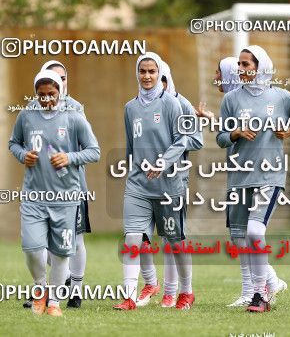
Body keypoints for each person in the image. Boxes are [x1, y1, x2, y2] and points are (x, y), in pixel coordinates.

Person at [216, 45, 290, 312]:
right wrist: (235, 134)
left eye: (247, 64)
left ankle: (260, 294)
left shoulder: (281, 97)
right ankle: (260, 288)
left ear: (261, 66)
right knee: (240, 238)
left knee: (256, 232)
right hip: (239, 177)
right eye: (240, 65)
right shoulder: (231, 99)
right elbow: (221, 137)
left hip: (269, 175)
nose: (241, 69)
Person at [9, 69, 100, 317]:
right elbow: (13, 143)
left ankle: (55, 304)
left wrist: (69, 157)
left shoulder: (74, 117)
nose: (47, 99)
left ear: (60, 91)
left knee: (61, 253)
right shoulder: (27, 115)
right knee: (31, 248)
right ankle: (40, 289)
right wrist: (22, 155)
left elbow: (94, 151)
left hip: (65, 197)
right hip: (34, 197)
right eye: (42, 95)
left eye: (52, 94)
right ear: (35, 93)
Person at [113, 52, 193, 310]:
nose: (147, 76)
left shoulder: (172, 104)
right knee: (132, 239)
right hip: (137, 185)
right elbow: (130, 145)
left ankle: (186, 291)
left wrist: (163, 163)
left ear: (160, 74)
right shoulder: (130, 107)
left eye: (152, 71)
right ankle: (128, 296)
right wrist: (128, 169)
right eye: (142, 71)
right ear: (137, 73)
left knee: (175, 241)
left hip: (169, 186)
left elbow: (182, 140)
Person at [137, 59, 204, 309]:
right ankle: (151, 284)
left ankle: (173, 292)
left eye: (160, 77)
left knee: (171, 239)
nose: (156, 83)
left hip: (173, 180)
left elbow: (195, 140)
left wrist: (172, 151)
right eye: (146, 74)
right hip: (145, 181)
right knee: (139, 235)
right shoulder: (139, 106)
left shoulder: (180, 104)